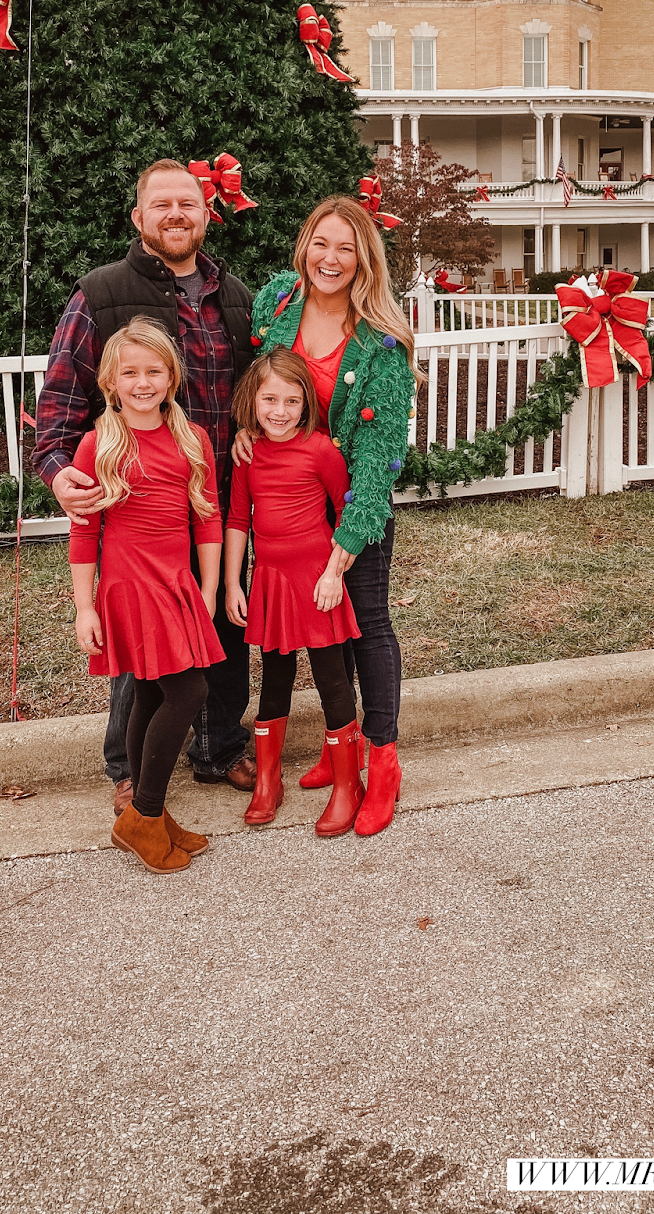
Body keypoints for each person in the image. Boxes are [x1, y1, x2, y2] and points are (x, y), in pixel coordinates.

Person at [33, 158, 257, 812]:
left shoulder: (234, 297)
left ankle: (218, 747)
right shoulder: (100, 294)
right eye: (161, 205)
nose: (176, 214)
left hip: (211, 501)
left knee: (219, 630)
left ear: (206, 214)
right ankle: (129, 768)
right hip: (136, 509)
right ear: (139, 218)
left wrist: (253, 437)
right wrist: (58, 474)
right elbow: (57, 408)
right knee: (143, 652)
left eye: (187, 203)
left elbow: (253, 394)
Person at [240, 196, 417, 836]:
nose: (330, 259)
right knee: (319, 630)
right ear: (304, 245)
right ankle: (332, 747)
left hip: (350, 507)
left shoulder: (382, 346)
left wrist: (343, 550)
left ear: (364, 259)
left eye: (346, 247)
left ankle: (383, 760)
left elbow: (378, 456)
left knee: (364, 623)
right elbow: (254, 384)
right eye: (321, 242)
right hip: (289, 506)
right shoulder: (277, 304)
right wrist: (243, 434)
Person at [69, 319, 223, 875]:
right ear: (111, 379)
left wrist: (207, 588)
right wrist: (85, 607)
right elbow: (84, 530)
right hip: (128, 586)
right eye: (130, 372)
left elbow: (207, 519)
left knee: (157, 696)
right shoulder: (97, 443)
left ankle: (145, 816)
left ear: (171, 376)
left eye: (153, 371)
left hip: (176, 583)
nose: (142, 382)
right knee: (188, 691)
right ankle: (145, 814)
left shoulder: (191, 438)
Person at [224, 348, 364, 838]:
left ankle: (349, 785)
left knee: (331, 678)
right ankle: (268, 780)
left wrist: (334, 573)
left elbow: (348, 512)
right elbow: (238, 519)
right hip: (271, 583)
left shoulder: (321, 450)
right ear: (252, 400)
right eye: (269, 399)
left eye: (291, 400)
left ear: (306, 403)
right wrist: (231, 583)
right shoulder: (247, 454)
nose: (279, 411)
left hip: (318, 580)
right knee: (275, 678)